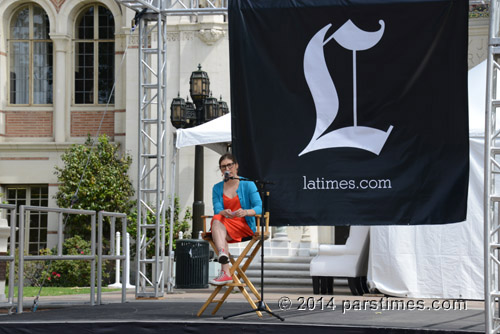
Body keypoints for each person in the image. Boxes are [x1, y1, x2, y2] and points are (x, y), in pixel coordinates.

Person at [209, 153, 262, 285]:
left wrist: (245, 212)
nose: (227, 169)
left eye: (229, 165)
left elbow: (260, 207)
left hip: (244, 226)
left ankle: (224, 270)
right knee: (218, 218)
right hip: (225, 224)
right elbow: (217, 209)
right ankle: (223, 259)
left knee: (218, 230)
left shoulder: (247, 184)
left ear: (236, 166)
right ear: (220, 170)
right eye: (223, 167)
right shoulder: (217, 188)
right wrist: (224, 211)